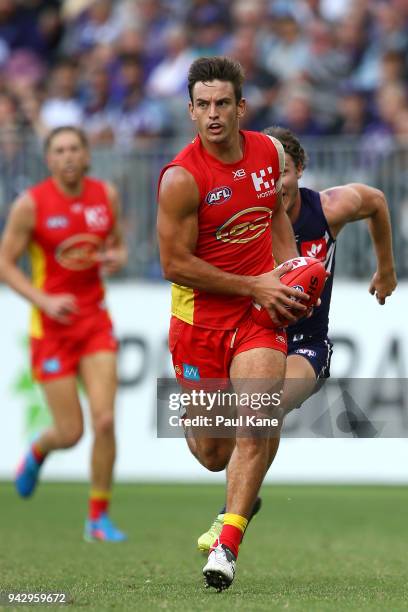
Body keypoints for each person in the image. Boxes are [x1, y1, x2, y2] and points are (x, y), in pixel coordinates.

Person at [198, 125, 397, 552]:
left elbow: (377, 201)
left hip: (306, 345)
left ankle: (229, 518)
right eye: (270, 172)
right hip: (252, 338)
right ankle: (242, 498)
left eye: (284, 171)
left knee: (266, 408)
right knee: (220, 443)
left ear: (300, 170)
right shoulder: (245, 220)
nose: (278, 182)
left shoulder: (327, 208)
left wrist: (386, 269)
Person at [157, 57, 311, 591]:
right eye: (203, 105)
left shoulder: (269, 153)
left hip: (257, 317)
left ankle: (227, 545)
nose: (214, 114)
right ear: (191, 111)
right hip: (198, 323)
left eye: (223, 103)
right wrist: (255, 284)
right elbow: (173, 265)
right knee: (212, 453)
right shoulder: (181, 178)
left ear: (241, 107)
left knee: (257, 424)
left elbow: (274, 216)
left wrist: (289, 278)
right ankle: (233, 490)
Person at [0, 126, 128, 542]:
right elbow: (5, 264)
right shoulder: (31, 205)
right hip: (51, 330)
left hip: (95, 322)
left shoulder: (104, 196)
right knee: (70, 433)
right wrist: (43, 300)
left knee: (105, 421)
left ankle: (98, 517)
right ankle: (40, 449)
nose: (68, 156)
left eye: (75, 148)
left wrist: (114, 258)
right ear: (49, 159)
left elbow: (119, 246)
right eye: (59, 150)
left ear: (87, 154)